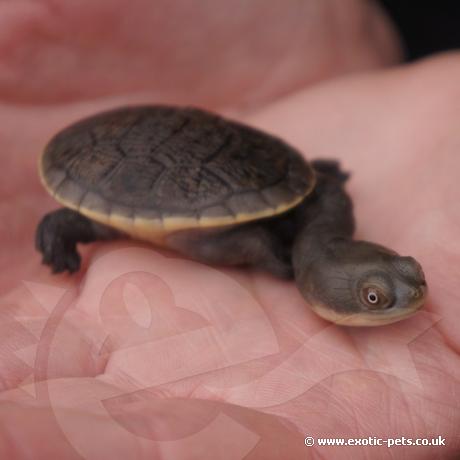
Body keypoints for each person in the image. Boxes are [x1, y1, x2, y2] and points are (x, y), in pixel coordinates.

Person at [0, 1, 458, 458]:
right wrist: (278, 257)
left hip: (209, 155)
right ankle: (65, 226)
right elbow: (254, 238)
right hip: (125, 157)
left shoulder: (313, 206)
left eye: (395, 281)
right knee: (90, 222)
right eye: (373, 297)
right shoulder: (282, 227)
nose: (408, 295)